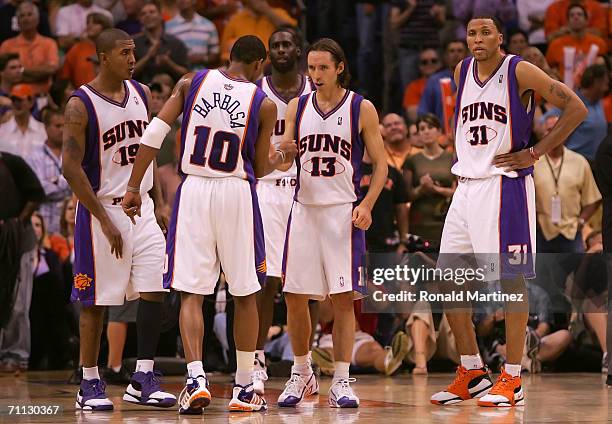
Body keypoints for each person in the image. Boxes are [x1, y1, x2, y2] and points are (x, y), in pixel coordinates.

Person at [122, 35, 298, 413]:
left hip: (195, 191)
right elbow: (263, 166)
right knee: (246, 292)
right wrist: (283, 154)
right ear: (258, 65)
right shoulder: (262, 102)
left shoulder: (191, 81)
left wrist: (134, 186)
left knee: (191, 293)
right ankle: (244, 387)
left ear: (229, 57)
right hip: (235, 192)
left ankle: (196, 377)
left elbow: (154, 133)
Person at [430, 16, 587, 408]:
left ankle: (513, 377)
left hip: (504, 187)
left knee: (510, 283)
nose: (477, 38)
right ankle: (471, 372)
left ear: (500, 37)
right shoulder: (461, 70)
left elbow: (576, 108)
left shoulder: (519, 70)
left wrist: (534, 151)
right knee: (449, 282)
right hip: (465, 187)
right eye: (471, 32)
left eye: (486, 32)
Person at [62, 28, 176, 411]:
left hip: (141, 205)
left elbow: (151, 151)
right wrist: (105, 222)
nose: (132, 58)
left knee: (154, 288)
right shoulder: (81, 104)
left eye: (133, 52)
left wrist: (159, 201)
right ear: (103, 57)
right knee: (96, 301)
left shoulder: (142, 93)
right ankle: (89, 380)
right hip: (102, 209)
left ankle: (142, 377)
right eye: (125, 53)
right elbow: (70, 168)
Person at [278, 38, 387, 408]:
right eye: (311, 68)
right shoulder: (297, 105)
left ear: (339, 67)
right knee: (295, 298)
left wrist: (368, 204)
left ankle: (341, 379)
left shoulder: (361, 107)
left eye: (323, 67)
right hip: (304, 210)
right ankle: (302, 373)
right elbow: (282, 158)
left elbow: (381, 163)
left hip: (342, 212)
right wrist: (280, 154)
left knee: (343, 300)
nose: (315, 75)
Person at [252, 27, 314, 396]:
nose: (280, 49)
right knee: (266, 280)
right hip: (267, 190)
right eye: (274, 45)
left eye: (286, 44)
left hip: (307, 190)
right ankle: (256, 357)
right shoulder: (256, 90)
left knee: (308, 285)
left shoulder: (315, 86)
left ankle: (303, 363)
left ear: (298, 50)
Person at [403, 113, 455, 244]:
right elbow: (406, 195)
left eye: (430, 127)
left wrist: (435, 189)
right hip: (419, 222)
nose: (426, 131)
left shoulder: (452, 158)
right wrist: (422, 188)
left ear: (439, 131)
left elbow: (459, 192)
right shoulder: (411, 160)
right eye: (422, 128)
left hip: (447, 220)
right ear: (418, 134)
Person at [26, 108, 72, 235]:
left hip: (71, 223)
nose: (62, 130)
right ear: (46, 127)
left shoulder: (76, 154)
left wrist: (55, 181)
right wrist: (67, 181)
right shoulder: (34, 157)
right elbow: (40, 189)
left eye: (65, 125)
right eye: (58, 126)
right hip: (44, 223)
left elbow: (80, 184)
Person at [0, 1, 59, 96]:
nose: (26, 19)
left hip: (43, 97)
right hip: (15, 99)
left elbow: (51, 70)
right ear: (18, 22)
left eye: (29, 15)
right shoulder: (7, 45)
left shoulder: (49, 43)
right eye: (22, 16)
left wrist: (21, 72)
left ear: (37, 19)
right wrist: (40, 75)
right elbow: (5, 75)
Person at [545, 4, 607, 90]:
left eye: (579, 14)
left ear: (586, 20)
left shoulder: (598, 43)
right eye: (572, 15)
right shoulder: (555, 45)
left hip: (592, 90)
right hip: (564, 90)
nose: (576, 17)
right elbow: (549, 68)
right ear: (567, 22)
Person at [219, 0, 296, 63]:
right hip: (244, 66)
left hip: (274, 65)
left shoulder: (278, 13)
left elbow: (291, 31)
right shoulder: (235, 20)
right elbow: (225, 53)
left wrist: (267, 11)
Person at [133, 0, 189, 84]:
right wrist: (148, 57)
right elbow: (128, 73)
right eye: (143, 14)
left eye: (152, 12)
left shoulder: (175, 43)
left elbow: (187, 74)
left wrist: (169, 63)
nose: (147, 15)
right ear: (140, 19)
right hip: (140, 93)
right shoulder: (133, 44)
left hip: (171, 94)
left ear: (161, 15)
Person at [59, 12, 112, 89]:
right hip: (82, 96)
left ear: (105, 27)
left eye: (95, 23)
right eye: (88, 23)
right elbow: (65, 76)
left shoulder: (112, 49)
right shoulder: (77, 48)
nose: (90, 26)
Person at [165, 0, 220, 69]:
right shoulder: (168, 27)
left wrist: (202, 58)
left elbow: (215, 54)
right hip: (177, 75)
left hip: (202, 74)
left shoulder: (208, 25)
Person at [0, 84, 46, 158]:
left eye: (20, 100)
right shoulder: (2, 131)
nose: (16, 104)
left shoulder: (43, 131)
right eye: (13, 100)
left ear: (31, 102)